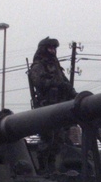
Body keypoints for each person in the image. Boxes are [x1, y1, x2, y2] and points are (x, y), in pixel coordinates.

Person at [28, 38, 77, 172]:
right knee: (47, 140)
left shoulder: (56, 67)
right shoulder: (38, 66)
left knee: (58, 140)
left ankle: (52, 167)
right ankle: (43, 168)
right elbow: (39, 83)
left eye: (54, 49)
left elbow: (66, 85)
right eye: (50, 48)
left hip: (60, 108)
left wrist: (74, 95)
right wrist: (55, 84)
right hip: (46, 109)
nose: (53, 51)